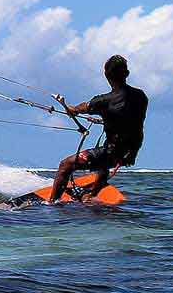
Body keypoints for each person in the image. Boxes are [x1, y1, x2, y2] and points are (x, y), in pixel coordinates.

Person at [47, 55, 148, 204]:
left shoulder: (104, 101)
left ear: (106, 75)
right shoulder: (140, 96)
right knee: (104, 160)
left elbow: (81, 108)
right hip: (132, 150)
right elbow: (128, 119)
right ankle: (92, 194)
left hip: (114, 152)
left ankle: (51, 204)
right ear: (126, 74)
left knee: (65, 165)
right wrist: (104, 120)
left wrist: (71, 108)